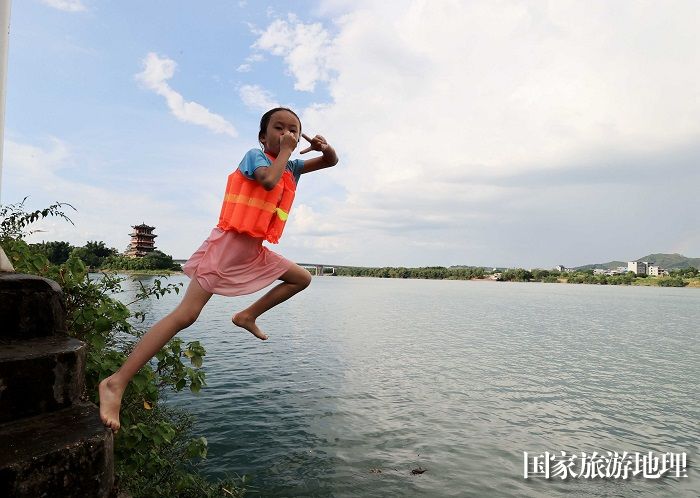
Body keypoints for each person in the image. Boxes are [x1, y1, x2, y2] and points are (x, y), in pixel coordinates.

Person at [99, 107, 338, 432]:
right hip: (226, 247)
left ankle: (247, 315)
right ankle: (117, 382)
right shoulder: (256, 156)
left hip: (253, 250)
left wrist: (324, 149)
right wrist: (285, 152)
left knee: (302, 278)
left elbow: (331, 161)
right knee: (185, 316)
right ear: (262, 136)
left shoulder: (290, 165)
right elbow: (267, 181)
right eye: (278, 127)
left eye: (293, 129)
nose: (286, 133)